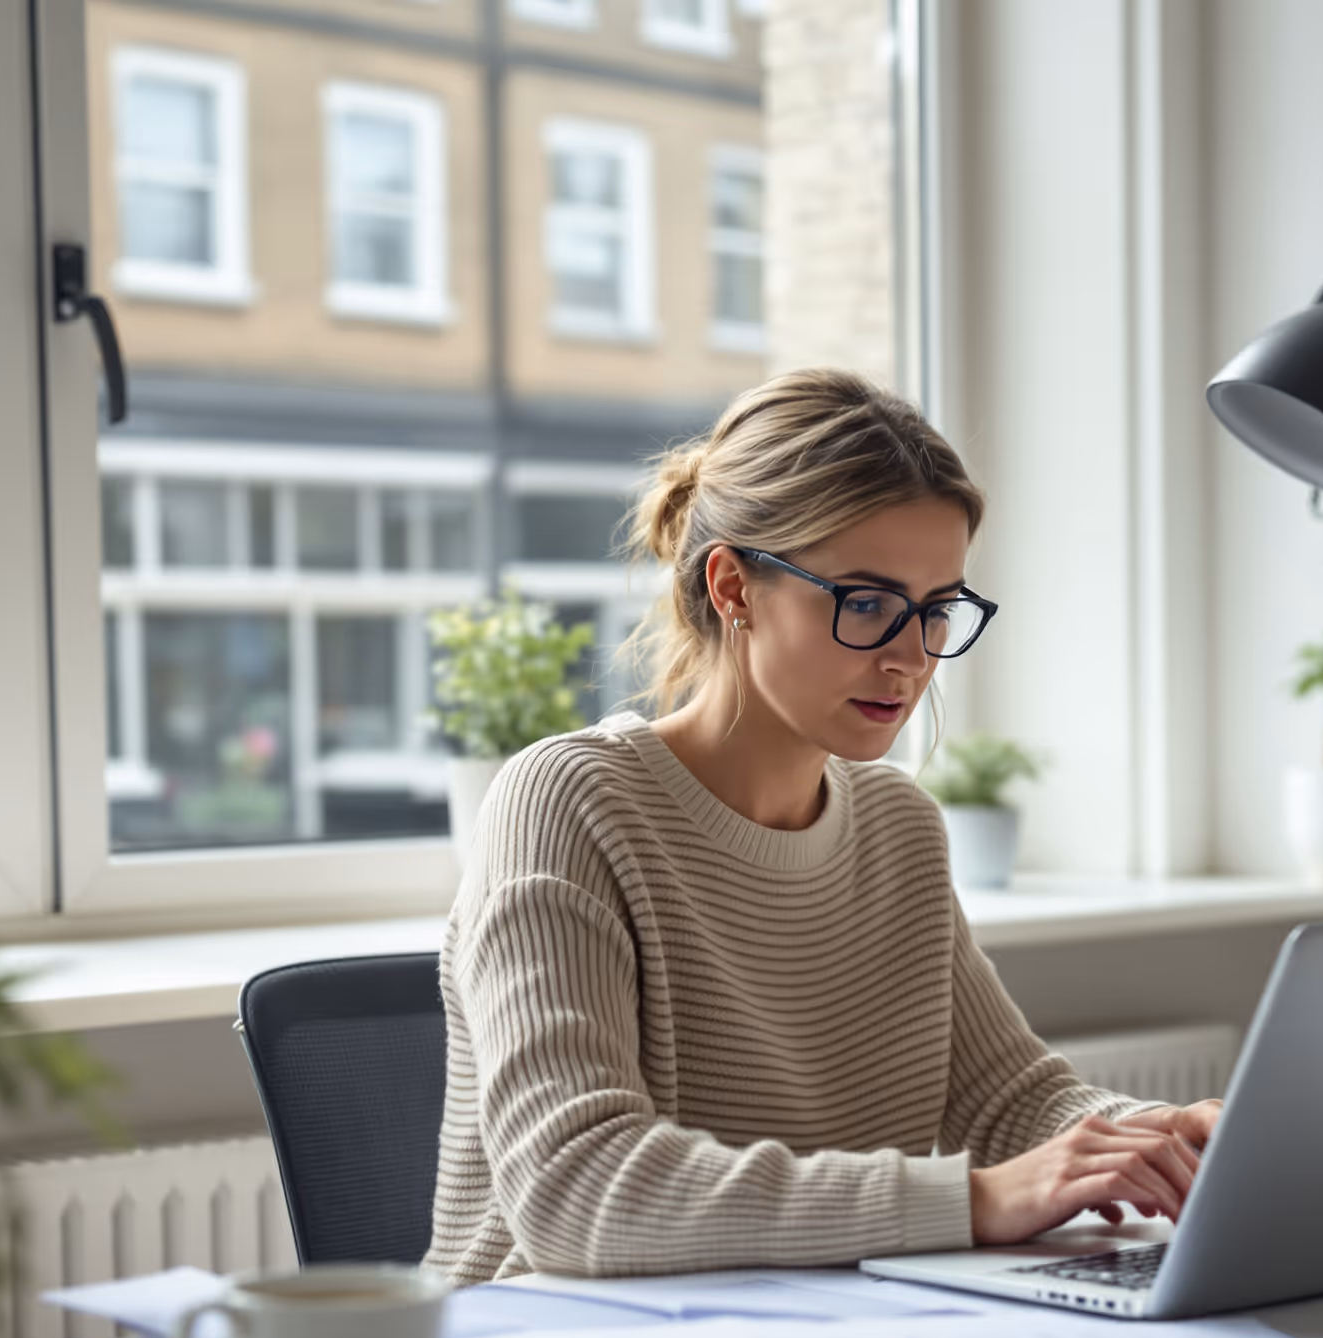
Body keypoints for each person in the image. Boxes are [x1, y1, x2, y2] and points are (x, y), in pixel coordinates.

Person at [424, 369, 1219, 1283]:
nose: (912, 657)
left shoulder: (898, 829)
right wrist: (977, 1202)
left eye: (937, 611)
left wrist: (1165, 1140)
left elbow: (1009, 1102)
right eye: (868, 603)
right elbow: (577, 1189)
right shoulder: (567, 804)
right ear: (734, 588)